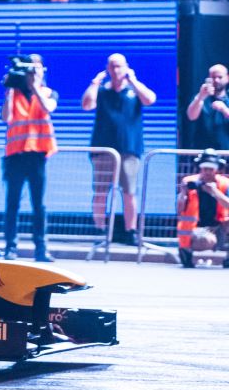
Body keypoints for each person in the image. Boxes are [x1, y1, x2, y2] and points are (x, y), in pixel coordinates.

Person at [82, 53, 157, 244]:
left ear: (126, 67)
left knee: (129, 192)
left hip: (129, 149)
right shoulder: (102, 91)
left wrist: (134, 81)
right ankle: (99, 230)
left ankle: (130, 231)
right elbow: (87, 105)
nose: (116, 70)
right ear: (108, 68)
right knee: (101, 191)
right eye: (112, 66)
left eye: (119, 66)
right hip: (103, 150)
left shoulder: (134, 91)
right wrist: (94, 83)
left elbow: (150, 100)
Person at [2, 54, 58, 261]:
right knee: (12, 203)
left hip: (37, 155)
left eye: (37, 68)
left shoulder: (48, 92)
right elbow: (6, 118)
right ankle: (10, 247)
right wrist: (9, 90)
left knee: (39, 205)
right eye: (30, 69)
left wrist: (35, 86)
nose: (33, 72)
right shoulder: (14, 94)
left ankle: (41, 249)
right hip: (15, 155)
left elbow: (48, 108)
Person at [175, 150, 229, 268]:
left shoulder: (225, 184)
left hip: (220, 226)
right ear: (200, 168)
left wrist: (215, 192)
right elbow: (179, 210)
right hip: (198, 229)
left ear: (217, 169)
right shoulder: (190, 182)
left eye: (211, 169)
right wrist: (183, 193)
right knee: (206, 240)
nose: (208, 172)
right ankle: (185, 252)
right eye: (205, 169)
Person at [187, 64, 229, 150]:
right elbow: (191, 116)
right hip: (203, 151)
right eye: (213, 77)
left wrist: (224, 109)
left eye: (220, 77)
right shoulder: (200, 97)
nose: (216, 80)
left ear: (227, 78)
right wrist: (200, 97)